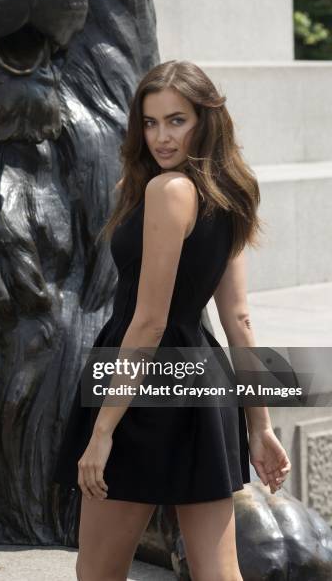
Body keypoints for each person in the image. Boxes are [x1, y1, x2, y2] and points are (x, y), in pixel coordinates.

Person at [53, 60, 291, 581]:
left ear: (206, 119)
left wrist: (102, 432)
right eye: (151, 121)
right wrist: (260, 424)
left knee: (98, 571)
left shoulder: (170, 191)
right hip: (203, 382)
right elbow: (239, 321)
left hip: (142, 385)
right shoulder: (231, 194)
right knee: (219, 571)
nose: (161, 136)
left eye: (176, 121)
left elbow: (149, 324)